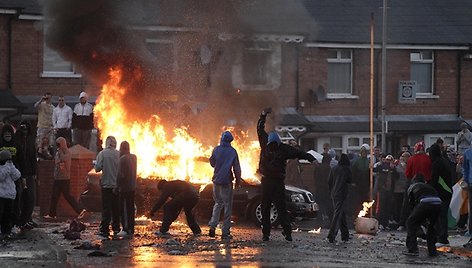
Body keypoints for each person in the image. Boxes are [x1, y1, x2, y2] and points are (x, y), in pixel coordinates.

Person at [257, 107, 316, 242]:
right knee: (281, 208)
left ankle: (266, 234)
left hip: (267, 182)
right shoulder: (283, 149)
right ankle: (287, 233)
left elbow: (260, 129)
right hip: (277, 183)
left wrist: (263, 115)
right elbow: (298, 153)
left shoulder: (265, 145)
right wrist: (311, 158)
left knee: (265, 207)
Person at [208, 131, 242, 239]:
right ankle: (225, 231)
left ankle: (212, 226)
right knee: (227, 206)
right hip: (226, 182)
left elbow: (212, 163)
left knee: (218, 203)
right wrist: (238, 181)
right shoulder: (232, 152)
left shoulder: (216, 149)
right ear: (230, 141)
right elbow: (236, 168)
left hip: (216, 181)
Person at [43, 137, 85, 219]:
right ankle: (52, 214)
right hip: (58, 177)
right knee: (54, 196)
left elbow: (62, 159)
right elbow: (56, 161)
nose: (58, 146)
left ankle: (80, 210)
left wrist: (60, 153)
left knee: (68, 196)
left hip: (65, 178)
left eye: (59, 144)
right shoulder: (58, 152)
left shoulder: (67, 152)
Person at [403, 174, 442, 257]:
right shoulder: (429, 186)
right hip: (437, 203)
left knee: (410, 223)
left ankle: (412, 249)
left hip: (424, 203)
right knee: (431, 226)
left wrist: (415, 219)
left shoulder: (412, 186)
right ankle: (432, 251)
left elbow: (411, 205)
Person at [94, 136, 120, 238]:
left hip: (106, 185)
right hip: (116, 186)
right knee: (116, 208)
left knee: (106, 208)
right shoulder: (119, 154)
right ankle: (116, 228)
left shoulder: (102, 154)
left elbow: (97, 168)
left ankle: (105, 229)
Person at [428, 143, 453, 247]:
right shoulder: (444, 161)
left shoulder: (436, 163)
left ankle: (442, 237)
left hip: (442, 192)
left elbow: (434, 179)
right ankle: (442, 236)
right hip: (447, 190)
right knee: (442, 214)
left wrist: (428, 187)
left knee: (441, 215)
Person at [15, 121, 38, 229]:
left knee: (31, 197)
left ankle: (27, 218)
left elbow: (33, 157)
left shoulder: (30, 141)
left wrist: (34, 172)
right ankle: (19, 220)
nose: (25, 131)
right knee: (20, 198)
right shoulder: (17, 141)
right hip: (19, 174)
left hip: (29, 173)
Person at [327, 153, 352, 243]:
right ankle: (332, 234)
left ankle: (345, 235)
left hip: (334, 193)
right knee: (338, 214)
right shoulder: (346, 169)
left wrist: (331, 191)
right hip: (342, 194)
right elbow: (350, 180)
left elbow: (329, 181)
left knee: (341, 213)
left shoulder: (334, 169)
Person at [116, 141, 137, 237]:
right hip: (132, 186)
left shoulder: (122, 159)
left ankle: (125, 228)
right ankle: (131, 228)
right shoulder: (134, 157)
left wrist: (117, 186)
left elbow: (121, 175)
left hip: (124, 188)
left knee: (124, 209)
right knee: (130, 208)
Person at [0, 150, 21, 239]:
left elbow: (17, 175)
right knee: (1, 213)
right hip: (1, 194)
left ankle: (7, 231)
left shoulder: (11, 166)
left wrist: (11, 167)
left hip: (10, 194)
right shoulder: (2, 167)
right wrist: (6, 168)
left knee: (8, 214)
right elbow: (1, 177)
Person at [351, 145, 371, 221]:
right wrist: (354, 181)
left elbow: (369, 173)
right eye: (363, 152)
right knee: (358, 201)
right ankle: (357, 215)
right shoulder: (357, 161)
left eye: (365, 152)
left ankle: (365, 215)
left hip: (365, 184)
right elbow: (354, 172)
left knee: (365, 200)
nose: (364, 154)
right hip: (358, 184)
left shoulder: (368, 161)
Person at [314, 154, 333, 227]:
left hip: (318, 189)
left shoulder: (318, 167)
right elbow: (330, 180)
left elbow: (315, 177)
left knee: (319, 206)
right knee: (329, 206)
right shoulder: (328, 168)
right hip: (326, 190)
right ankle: (331, 222)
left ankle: (319, 222)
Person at [462, 146, 472, 247]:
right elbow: (465, 167)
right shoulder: (468, 152)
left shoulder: (468, 152)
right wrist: (465, 180)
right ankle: (470, 231)